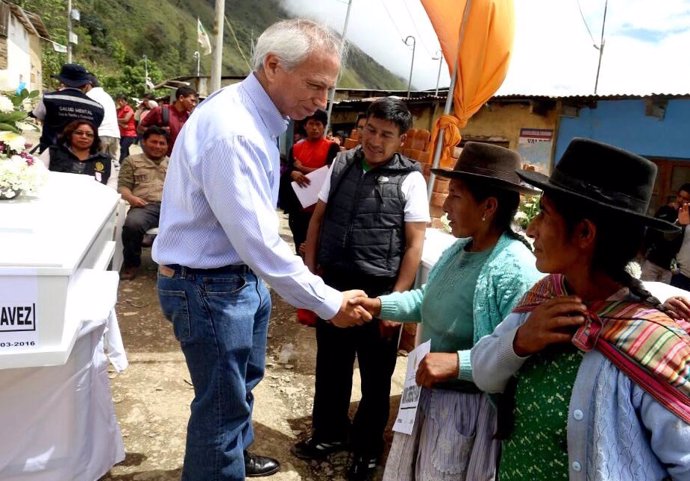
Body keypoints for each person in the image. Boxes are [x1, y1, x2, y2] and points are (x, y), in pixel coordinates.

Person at [152, 18, 371, 481]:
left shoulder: (255, 118)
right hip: (208, 286)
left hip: (232, 279)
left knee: (241, 384)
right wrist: (329, 302)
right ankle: (220, 463)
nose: (322, 101)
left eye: (328, 88)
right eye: (314, 85)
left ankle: (233, 452)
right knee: (220, 407)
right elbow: (259, 242)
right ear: (273, 66)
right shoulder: (234, 130)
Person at [471, 138, 690, 481]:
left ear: (585, 232)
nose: (531, 229)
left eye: (543, 214)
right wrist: (519, 342)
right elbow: (484, 373)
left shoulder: (651, 341)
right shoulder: (543, 299)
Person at [350, 142, 543, 481]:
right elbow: (429, 299)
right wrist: (378, 304)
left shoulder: (513, 268)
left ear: (489, 206)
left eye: (455, 195)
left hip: (468, 414)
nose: (444, 205)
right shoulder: (460, 249)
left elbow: (518, 353)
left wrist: (458, 366)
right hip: (432, 399)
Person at [293, 97, 430, 481]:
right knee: (331, 365)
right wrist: (311, 276)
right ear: (361, 128)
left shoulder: (411, 179)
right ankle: (329, 434)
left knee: (375, 376)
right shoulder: (341, 163)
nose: (375, 140)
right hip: (334, 285)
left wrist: (395, 303)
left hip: (379, 292)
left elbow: (414, 244)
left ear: (401, 139)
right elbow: (318, 218)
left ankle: (367, 447)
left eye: (386, 134)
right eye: (370, 130)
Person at [280, 109, 340, 255]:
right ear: (305, 126)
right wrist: (293, 173)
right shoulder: (295, 148)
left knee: (317, 248)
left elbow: (330, 170)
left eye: (318, 124)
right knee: (300, 246)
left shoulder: (332, 147)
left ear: (324, 126)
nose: (314, 128)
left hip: (321, 209)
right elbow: (287, 170)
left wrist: (302, 168)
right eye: (311, 123)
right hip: (299, 209)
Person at [118, 126, 170, 281]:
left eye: (162, 143)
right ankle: (131, 264)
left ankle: (176, 265)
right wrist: (131, 199)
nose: (158, 146)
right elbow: (123, 186)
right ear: (144, 142)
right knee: (132, 225)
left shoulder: (174, 163)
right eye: (154, 142)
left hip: (170, 207)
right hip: (144, 206)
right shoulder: (132, 161)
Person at [32, 63, 105, 153]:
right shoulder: (98, 108)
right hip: (81, 160)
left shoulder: (48, 99)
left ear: (62, 82)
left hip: (51, 156)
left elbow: (40, 118)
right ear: (86, 85)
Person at [38, 120, 116, 189]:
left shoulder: (105, 161)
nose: (84, 137)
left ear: (94, 139)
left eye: (89, 135)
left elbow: (112, 187)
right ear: (69, 135)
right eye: (79, 133)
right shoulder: (53, 152)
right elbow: (37, 174)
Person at [640, 183, 690, 283]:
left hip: (672, 267)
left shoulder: (687, 219)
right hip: (654, 260)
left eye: (685, 199)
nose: (680, 200)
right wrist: (644, 251)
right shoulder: (666, 210)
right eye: (679, 196)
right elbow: (652, 231)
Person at [138, 86, 197, 155]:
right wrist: (158, 131)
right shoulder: (160, 111)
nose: (194, 104)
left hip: (178, 158)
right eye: (192, 100)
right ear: (181, 98)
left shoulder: (189, 117)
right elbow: (140, 128)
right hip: (160, 159)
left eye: (195, 102)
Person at [84, 74, 121, 164]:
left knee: (96, 166)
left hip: (100, 134)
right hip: (114, 135)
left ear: (88, 84)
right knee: (113, 166)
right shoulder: (107, 96)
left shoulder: (89, 95)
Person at [116, 95, 138, 162]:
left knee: (123, 148)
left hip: (129, 133)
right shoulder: (119, 110)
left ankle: (121, 163)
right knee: (125, 149)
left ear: (126, 102)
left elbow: (126, 119)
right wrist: (120, 123)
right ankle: (129, 162)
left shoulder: (129, 109)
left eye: (122, 101)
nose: (120, 102)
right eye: (119, 101)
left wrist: (116, 120)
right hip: (122, 133)